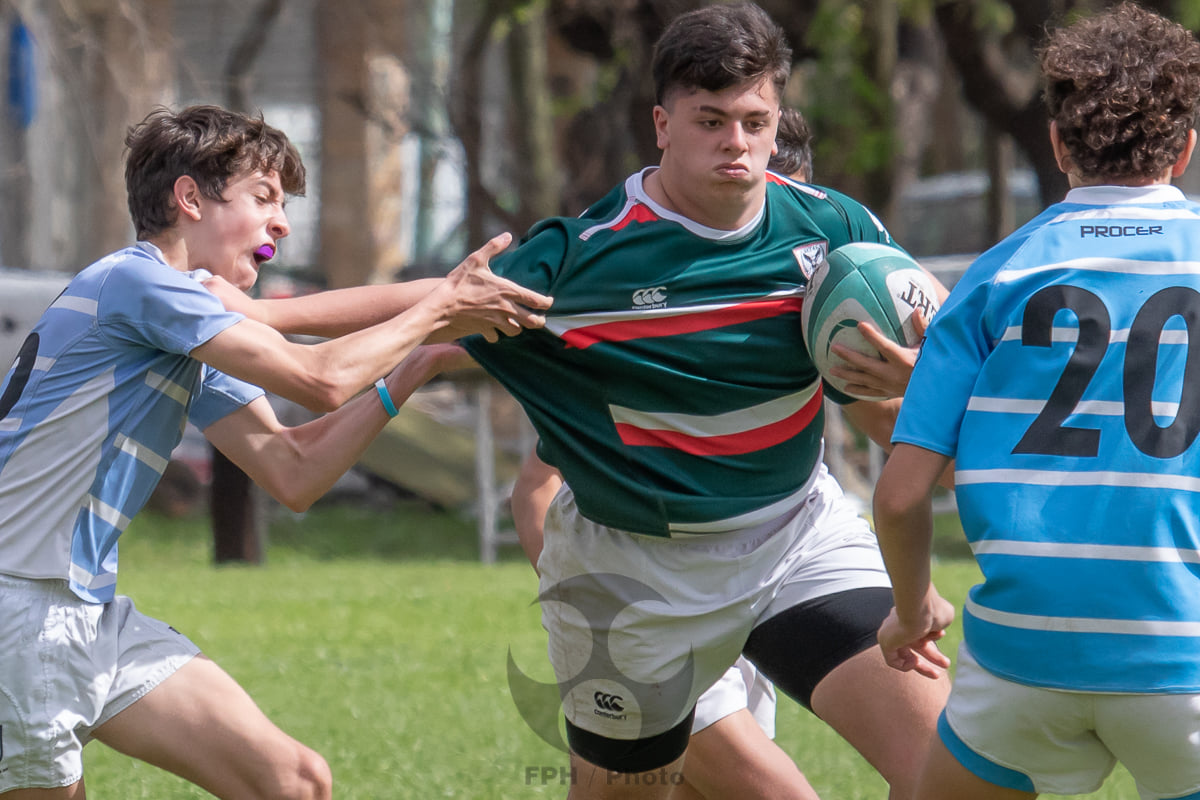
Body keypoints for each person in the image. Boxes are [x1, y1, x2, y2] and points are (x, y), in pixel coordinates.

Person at [459, 5, 950, 798]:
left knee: (949, 772)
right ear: (662, 124)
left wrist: (925, 382)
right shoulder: (584, 261)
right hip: (635, 579)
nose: (737, 141)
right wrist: (252, 321)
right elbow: (431, 310)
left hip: (794, 539)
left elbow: (928, 378)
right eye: (711, 119)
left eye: (756, 121)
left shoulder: (832, 234)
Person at [0, 104, 551, 799]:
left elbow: (294, 470)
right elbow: (320, 380)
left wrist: (420, 361)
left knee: (293, 782)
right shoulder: (139, 284)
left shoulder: (185, 325)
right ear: (190, 198)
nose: (283, 224)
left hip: (85, 612)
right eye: (265, 198)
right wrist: (439, 311)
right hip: (21, 615)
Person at [873, 4, 1200, 799]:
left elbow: (901, 494)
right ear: (1187, 148)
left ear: (1056, 145)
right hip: (1184, 653)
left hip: (1025, 656)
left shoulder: (992, 277)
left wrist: (911, 611)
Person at [510, 110, 823, 800]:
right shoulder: (651, 335)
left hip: (752, 607)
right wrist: (600, 619)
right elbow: (533, 489)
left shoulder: (799, 328)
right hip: (647, 616)